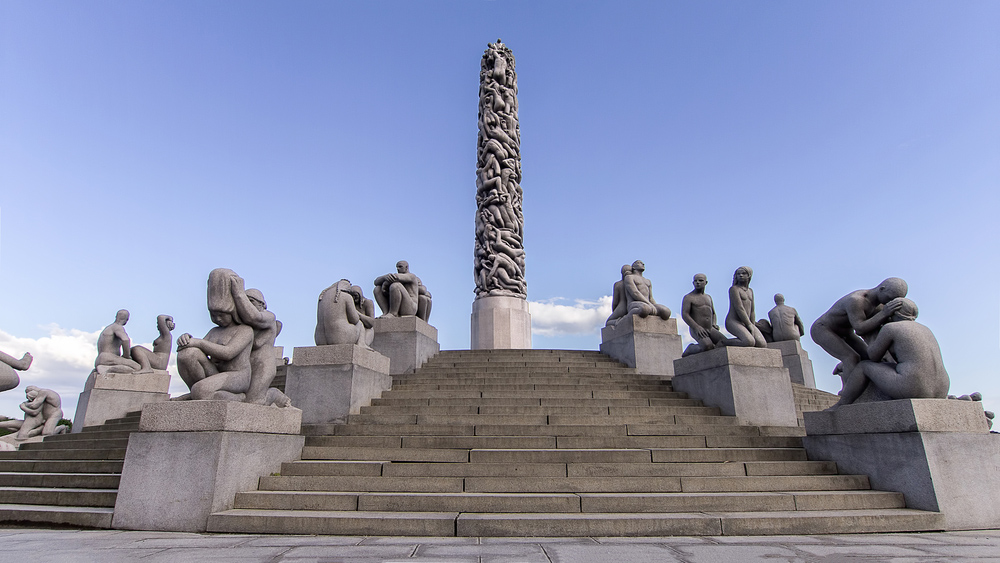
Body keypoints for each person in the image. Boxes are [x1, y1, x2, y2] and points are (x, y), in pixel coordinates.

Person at [834, 298, 949, 406]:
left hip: (913, 386)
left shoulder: (890, 328)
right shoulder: (925, 329)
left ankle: (842, 404)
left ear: (893, 311)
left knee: (864, 366)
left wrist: (870, 337)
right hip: (942, 387)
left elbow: (873, 357)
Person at [175, 271, 254, 401]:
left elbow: (228, 353)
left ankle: (237, 398)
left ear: (233, 312)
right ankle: (196, 392)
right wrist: (186, 340)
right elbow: (197, 350)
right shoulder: (214, 331)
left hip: (236, 376)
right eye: (213, 315)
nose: (218, 319)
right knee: (187, 354)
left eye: (222, 315)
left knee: (200, 390)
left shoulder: (245, 330)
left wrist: (198, 342)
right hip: (216, 373)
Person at [810, 277, 908, 380]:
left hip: (846, 333)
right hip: (823, 329)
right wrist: (884, 314)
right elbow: (860, 328)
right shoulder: (857, 300)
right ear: (882, 289)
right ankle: (847, 392)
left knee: (869, 357)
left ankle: (844, 369)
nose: (889, 303)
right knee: (851, 358)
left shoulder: (879, 306)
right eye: (889, 298)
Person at [231, 284, 290, 407]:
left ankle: (275, 395)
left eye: (251, 301)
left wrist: (239, 294)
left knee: (254, 402)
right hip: (245, 365)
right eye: (245, 302)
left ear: (262, 304)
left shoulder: (268, 316)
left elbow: (257, 341)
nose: (247, 305)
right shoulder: (244, 323)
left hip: (263, 363)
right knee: (242, 399)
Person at [316, 280, 372, 347]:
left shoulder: (321, 298)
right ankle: (362, 344)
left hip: (319, 339)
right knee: (360, 323)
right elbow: (355, 319)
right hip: (339, 337)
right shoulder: (346, 296)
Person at [680, 273, 726, 356]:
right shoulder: (689, 297)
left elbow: (713, 313)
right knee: (707, 346)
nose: (697, 282)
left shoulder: (708, 297)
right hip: (697, 329)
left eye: (700, 280)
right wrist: (696, 327)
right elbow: (685, 314)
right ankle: (691, 348)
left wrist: (714, 323)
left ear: (706, 282)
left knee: (725, 342)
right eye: (695, 281)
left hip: (710, 328)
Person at [721, 266, 767, 348]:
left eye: (743, 273)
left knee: (762, 344)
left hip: (746, 322)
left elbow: (752, 311)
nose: (740, 275)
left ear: (749, 276)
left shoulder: (750, 291)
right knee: (748, 341)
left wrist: (752, 325)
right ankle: (723, 342)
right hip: (733, 321)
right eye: (738, 274)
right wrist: (748, 324)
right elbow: (739, 308)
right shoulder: (734, 289)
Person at [0, 386, 66, 440]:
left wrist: (23, 405)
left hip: (54, 414)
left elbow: (34, 405)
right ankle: (41, 428)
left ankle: (61, 427)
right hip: (44, 417)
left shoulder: (43, 392)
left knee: (47, 433)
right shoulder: (43, 395)